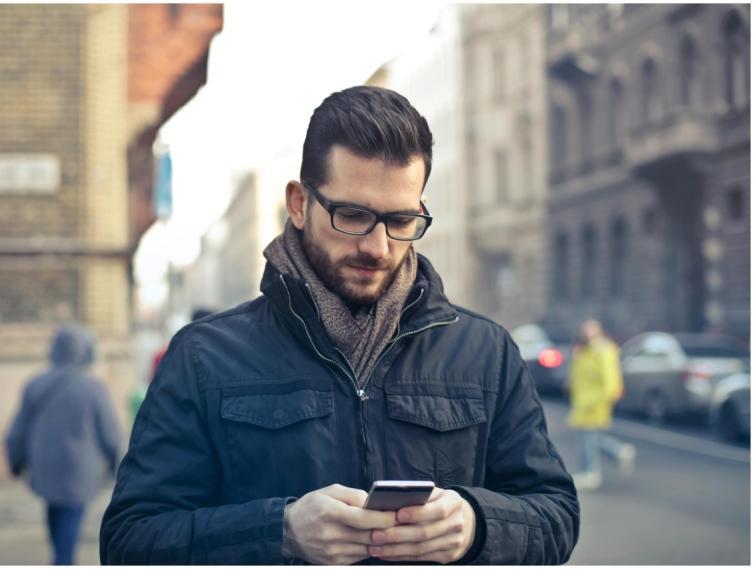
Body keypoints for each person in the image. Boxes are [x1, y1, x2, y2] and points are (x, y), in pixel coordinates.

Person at [100, 86, 579, 564]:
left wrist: (477, 524)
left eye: (401, 220)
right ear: (298, 203)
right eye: (352, 215)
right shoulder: (204, 356)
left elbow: (557, 516)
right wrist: (280, 532)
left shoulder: (486, 350)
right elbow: (130, 542)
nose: (377, 246)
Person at [5, 324, 123, 565]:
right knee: (69, 522)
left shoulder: (35, 384)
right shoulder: (94, 388)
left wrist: (15, 461)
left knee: (55, 515)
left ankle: (60, 558)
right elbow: (110, 433)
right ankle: (63, 560)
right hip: (79, 472)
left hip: (45, 468)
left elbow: (17, 432)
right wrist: (117, 464)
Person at [567, 318, 636, 491]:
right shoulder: (585, 350)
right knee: (590, 437)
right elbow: (578, 374)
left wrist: (601, 400)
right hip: (583, 401)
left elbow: (611, 383)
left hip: (594, 402)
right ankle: (619, 451)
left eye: (590, 329)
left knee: (588, 437)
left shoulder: (603, 351)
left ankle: (591, 472)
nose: (586, 333)